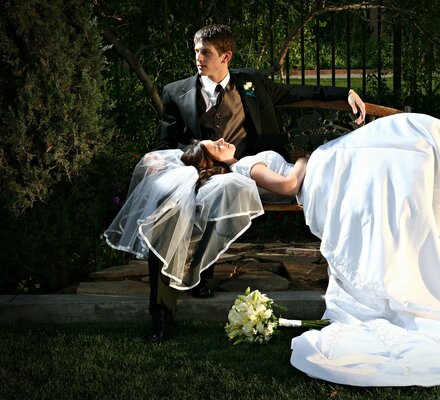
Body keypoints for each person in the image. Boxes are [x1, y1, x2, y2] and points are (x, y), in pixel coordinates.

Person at [179, 112, 440, 387]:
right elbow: (289, 184)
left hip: (324, 168)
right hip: (318, 176)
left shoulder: (246, 158)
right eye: (216, 147)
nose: (222, 140)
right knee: (391, 142)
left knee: (393, 137)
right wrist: (304, 161)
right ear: (217, 162)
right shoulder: (245, 164)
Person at [114, 23, 367, 343]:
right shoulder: (176, 91)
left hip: (250, 170)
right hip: (200, 171)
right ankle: (161, 313)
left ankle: (201, 274)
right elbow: (168, 144)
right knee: (166, 209)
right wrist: (200, 153)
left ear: (226, 56)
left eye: (206, 52)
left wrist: (344, 92)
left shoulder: (251, 83)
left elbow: (298, 91)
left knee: (223, 191)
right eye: (196, 51)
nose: (199, 58)